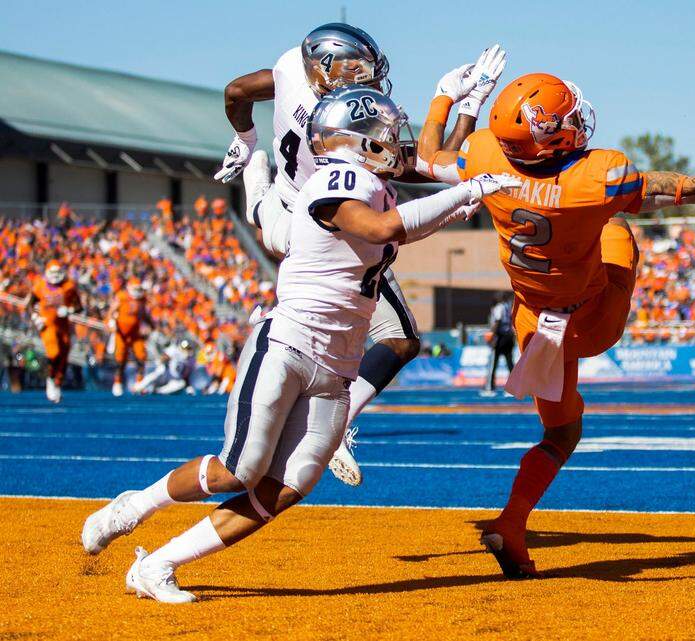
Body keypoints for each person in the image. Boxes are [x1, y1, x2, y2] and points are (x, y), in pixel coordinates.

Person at [80, 84, 518, 603]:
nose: (395, 141)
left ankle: (158, 565)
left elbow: (402, 223)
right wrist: (469, 191)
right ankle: (134, 506)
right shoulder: (339, 178)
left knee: (286, 487)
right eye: (385, 133)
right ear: (359, 140)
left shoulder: (371, 182)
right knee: (236, 471)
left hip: (338, 365)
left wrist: (464, 159)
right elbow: (380, 228)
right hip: (288, 343)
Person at [416, 72, 695, 577]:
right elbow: (687, 188)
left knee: (559, 434)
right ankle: (510, 525)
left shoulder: (484, 154)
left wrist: (447, 96)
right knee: (616, 225)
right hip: (592, 319)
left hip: (533, 323)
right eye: (567, 117)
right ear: (547, 134)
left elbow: (428, 156)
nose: (577, 119)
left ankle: (513, 522)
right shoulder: (599, 175)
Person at [217, 23, 507, 486]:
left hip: (284, 212)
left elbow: (236, 91)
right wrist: (464, 106)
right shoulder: (340, 125)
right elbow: (435, 166)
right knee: (400, 337)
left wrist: (246, 138)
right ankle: (334, 419)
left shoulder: (293, 65)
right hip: (322, 232)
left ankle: (255, 177)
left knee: (262, 210)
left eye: (367, 68)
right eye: (354, 67)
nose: (366, 78)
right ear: (324, 67)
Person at [26, 261, 82, 402]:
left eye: (58, 273)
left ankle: (57, 383)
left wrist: (70, 310)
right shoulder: (40, 285)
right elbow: (30, 304)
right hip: (47, 325)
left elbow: (79, 306)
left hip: (63, 326)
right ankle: (50, 379)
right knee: (53, 353)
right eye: (53, 273)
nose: (56, 276)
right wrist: (35, 317)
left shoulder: (69, 286)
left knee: (63, 357)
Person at [109, 278, 151, 397]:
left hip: (135, 333)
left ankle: (139, 383)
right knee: (120, 359)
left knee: (142, 356)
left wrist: (151, 325)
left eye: (139, 289)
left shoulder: (142, 299)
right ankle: (117, 382)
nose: (138, 291)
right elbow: (112, 311)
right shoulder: (122, 296)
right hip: (121, 333)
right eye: (135, 289)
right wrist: (111, 322)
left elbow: (143, 314)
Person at [483, 291, 514, 393]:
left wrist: (492, 334)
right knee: (510, 363)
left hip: (500, 337)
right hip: (509, 336)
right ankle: (513, 387)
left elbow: (497, 321)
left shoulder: (499, 307)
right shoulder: (509, 306)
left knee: (493, 363)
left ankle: (489, 387)